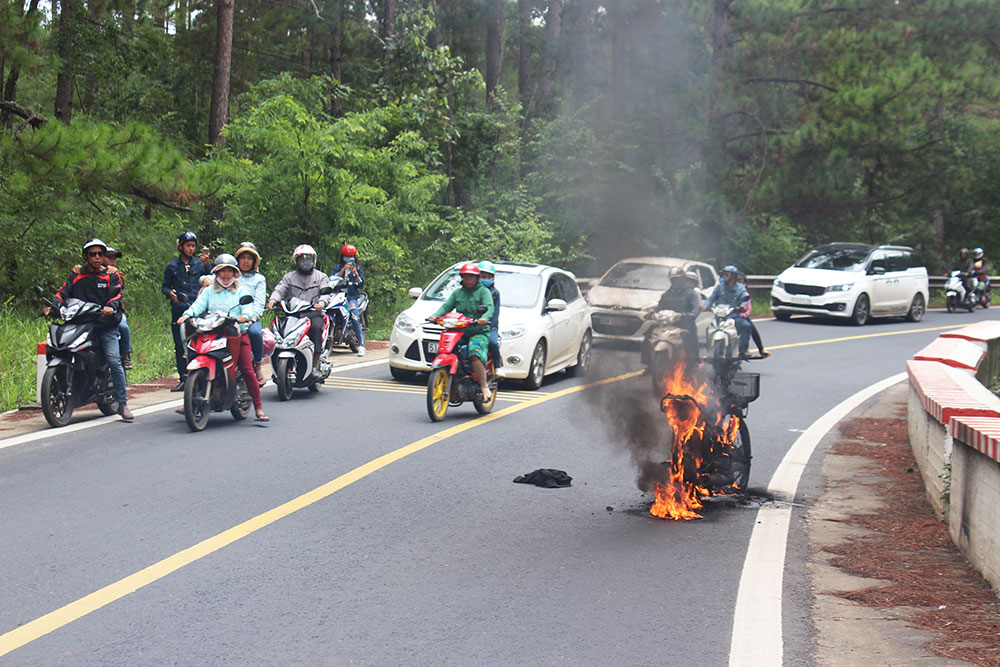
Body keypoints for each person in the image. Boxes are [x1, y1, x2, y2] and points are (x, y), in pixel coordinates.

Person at [47, 239, 134, 422]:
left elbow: (117, 296)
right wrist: (53, 306)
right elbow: (63, 293)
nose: (97, 257)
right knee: (60, 347)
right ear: (85, 256)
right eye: (92, 254)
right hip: (79, 324)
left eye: (100, 254)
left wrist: (111, 307)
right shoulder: (77, 274)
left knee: (113, 359)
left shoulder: (111, 275)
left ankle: (123, 403)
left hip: (105, 325)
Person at [177, 254, 268, 422]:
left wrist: (244, 317)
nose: (226, 275)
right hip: (213, 333)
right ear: (216, 273)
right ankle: (192, 397)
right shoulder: (209, 291)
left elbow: (247, 308)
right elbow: (198, 306)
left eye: (229, 271)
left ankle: (259, 407)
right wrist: (187, 315)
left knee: (248, 370)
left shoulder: (242, 291)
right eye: (222, 271)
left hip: (236, 334)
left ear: (235, 274)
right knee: (195, 352)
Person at [426, 262, 494, 401]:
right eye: (465, 276)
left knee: (474, 353)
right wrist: (435, 316)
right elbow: (446, 306)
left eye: (471, 276)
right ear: (462, 278)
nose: (468, 279)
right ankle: (447, 381)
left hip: (478, 331)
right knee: (444, 350)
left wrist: (483, 318)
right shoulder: (457, 292)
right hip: (460, 330)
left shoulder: (484, 291)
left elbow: (489, 307)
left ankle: (483, 386)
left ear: (477, 278)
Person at [266, 244, 332, 382]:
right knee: (277, 329)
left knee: (315, 328)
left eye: (308, 258)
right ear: (296, 261)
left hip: (313, 314)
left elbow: (326, 293)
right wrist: (273, 301)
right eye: (302, 258)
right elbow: (280, 290)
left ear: (313, 260)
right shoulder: (289, 277)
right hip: (293, 315)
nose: (305, 261)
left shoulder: (321, 277)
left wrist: (321, 303)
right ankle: (277, 363)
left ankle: (315, 364)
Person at [163, 231, 210, 391]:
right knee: (180, 344)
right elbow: (165, 286)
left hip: (198, 310)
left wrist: (208, 265)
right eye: (188, 246)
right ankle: (183, 377)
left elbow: (210, 281)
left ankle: (199, 375)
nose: (191, 249)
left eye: (193, 246)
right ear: (180, 246)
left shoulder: (199, 265)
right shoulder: (172, 267)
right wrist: (169, 293)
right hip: (180, 310)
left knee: (199, 342)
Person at [643, 266, 701, 365]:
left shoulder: (691, 294)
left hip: (684, 323)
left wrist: (692, 314)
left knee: (690, 339)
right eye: (673, 279)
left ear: (683, 279)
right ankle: (649, 365)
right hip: (666, 323)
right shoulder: (666, 294)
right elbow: (659, 307)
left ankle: (691, 366)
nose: (675, 282)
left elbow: (696, 308)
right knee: (648, 336)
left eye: (677, 279)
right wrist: (652, 314)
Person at [703, 264, 752, 358]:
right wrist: (706, 306)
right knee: (708, 329)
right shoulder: (719, 287)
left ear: (733, 276)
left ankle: (743, 351)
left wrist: (743, 306)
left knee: (746, 326)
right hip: (719, 317)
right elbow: (711, 298)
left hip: (734, 316)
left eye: (727, 275)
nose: (724, 277)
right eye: (723, 274)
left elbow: (744, 297)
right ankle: (710, 351)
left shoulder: (741, 288)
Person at [235, 242, 267, 385]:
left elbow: (259, 302)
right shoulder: (230, 275)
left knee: (255, 333)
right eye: (243, 257)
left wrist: (252, 318)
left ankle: (258, 367)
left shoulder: (259, 279)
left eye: (249, 258)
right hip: (231, 316)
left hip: (250, 318)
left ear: (254, 261)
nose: (246, 261)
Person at [331, 243, 367, 357]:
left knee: (355, 317)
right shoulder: (337, 267)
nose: (349, 259)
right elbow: (332, 280)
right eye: (347, 256)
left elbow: (360, 284)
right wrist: (343, 269)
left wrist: (355, 272)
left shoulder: (358, 268)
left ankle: (361, 345)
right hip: (338, 296)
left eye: (351, 256)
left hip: (352, 297)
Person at [102, 247, 133, 370]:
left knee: (123, 327)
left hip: (114, 311)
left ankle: (125, 354)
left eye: (114, 259)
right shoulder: (86, 272)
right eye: (109, 258)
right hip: (91, 310)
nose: (113, 261)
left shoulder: (115, 274)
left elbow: (119, 290)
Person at [737, 272, 770, 358]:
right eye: (737, 281)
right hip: (729, 314)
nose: (739, 283)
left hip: (742, 316)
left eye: (741, 281)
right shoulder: (728, 291)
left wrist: (744, 314)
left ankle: (760, 349)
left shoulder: (745, 293)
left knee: (751, 328)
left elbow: (748, 307)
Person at [478, 260, 502, 369]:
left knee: (493, 343)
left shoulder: (494, 293)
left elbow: (495, 312)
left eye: (488, 276)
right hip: (472, 325)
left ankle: (497, 367)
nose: (485, 279)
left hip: (489, 327)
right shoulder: (471, 291)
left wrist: (489, 325)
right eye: (482, 276)